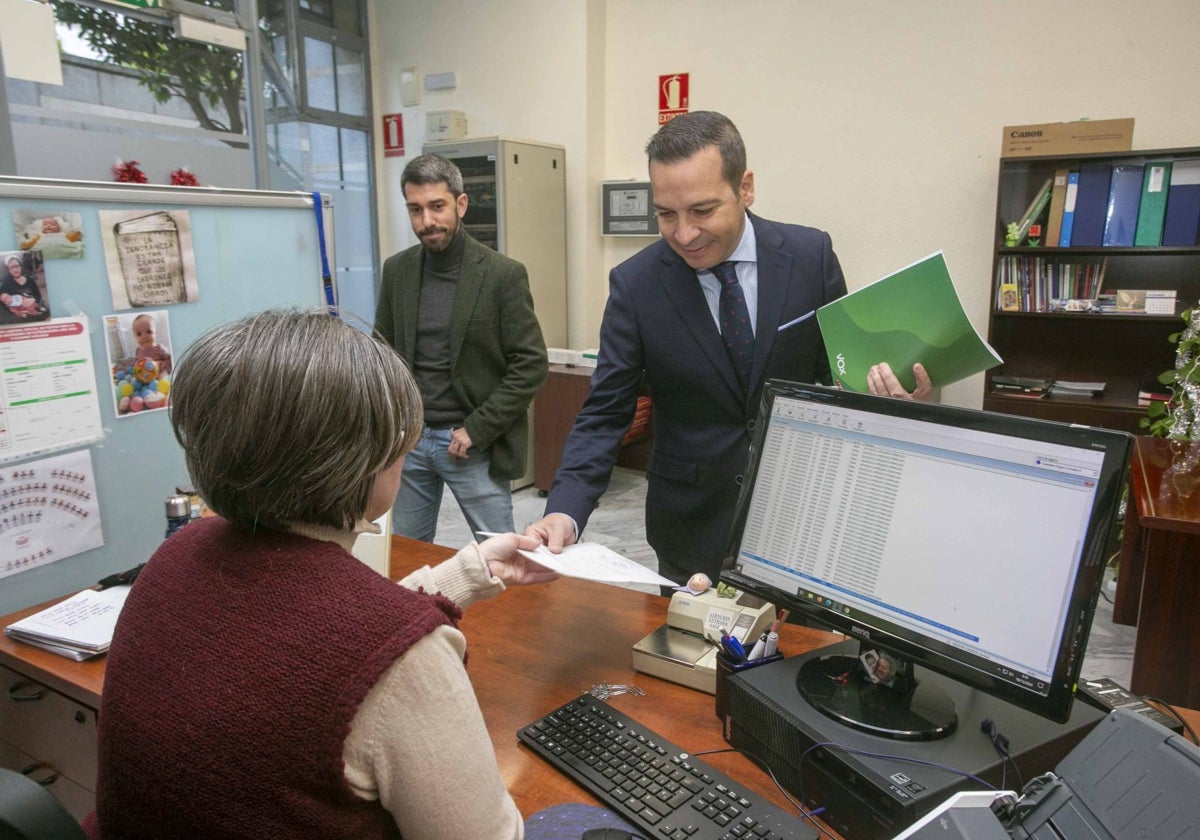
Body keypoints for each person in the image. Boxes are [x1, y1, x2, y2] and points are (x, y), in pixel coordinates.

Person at [84, 308, 557, 840]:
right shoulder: (407, 660)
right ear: (354, 459)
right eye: (399, 432)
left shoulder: (180, 550)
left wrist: (467, 573)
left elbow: (315, 644)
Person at [525, 111, 931, 586]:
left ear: (746, 187)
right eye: (666, 214)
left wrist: (888, 401)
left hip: (803, 511)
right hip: (691, 526)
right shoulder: (636, 286)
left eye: (702, 210)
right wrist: (565, 512)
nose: (684, 234)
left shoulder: (809, 257)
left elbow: (834, 376)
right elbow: (604, 413)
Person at [375, 153, 548, 542]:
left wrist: (477, 428)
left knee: (499, 558)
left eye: (437, 206)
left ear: (461, 204)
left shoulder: (502, 275)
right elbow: (381, 354)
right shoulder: (397, 271)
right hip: (410, 442)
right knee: (407, 556)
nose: (427, 222)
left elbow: (531, 364)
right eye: (415, 210)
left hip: (471, 445)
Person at [0, 254, 48, 322]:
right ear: (9, 270)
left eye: (16, 266)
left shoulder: (30, 280)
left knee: (46, 311)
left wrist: (33, 299)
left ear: (21, 266)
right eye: (11, 268)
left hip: (34, 304)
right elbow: (2, 298)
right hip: (23, 311)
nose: (15, 270)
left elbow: (38, 295)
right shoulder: (7, 282)